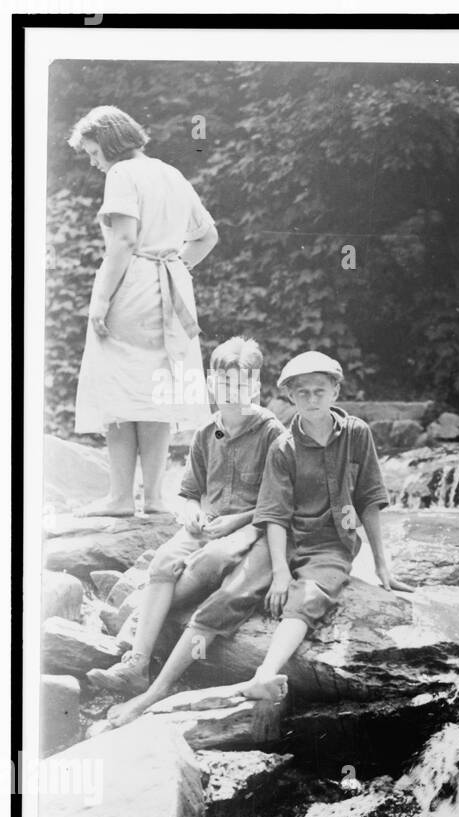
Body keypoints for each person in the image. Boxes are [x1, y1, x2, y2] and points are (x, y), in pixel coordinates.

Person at [98, 350, 412, 727]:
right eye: (303, 393)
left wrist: (382, 564)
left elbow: (370, 499)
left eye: (320, 391)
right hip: (283, 539)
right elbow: (275, 516)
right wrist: (279, 571)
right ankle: (156, 688)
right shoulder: (283, 447)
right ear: (290, 397)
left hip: (331, 545)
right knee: (230, 594)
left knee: (308, 598)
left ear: (335, 391)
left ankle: (264, 674)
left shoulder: (357, 434)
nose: (312, 400)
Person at [87, 337, 285, 702]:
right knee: (163, 560)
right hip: (206, 524)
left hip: (250, 527)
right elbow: (191, 491)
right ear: (211, 385)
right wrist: (192, 513)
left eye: (242, 384)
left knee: (215, 559)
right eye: (225, 384)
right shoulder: (207, 433)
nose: (233, 392)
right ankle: (137, 665)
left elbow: (278, 502)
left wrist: (236, 521)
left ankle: (138, 622)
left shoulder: (272, 433)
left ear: (256, 386)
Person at [67, 105, 219, 516]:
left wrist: (100, 299)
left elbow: (124, 240)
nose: (93, 161)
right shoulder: (170, 173)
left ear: (110, 139)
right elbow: (207, 236)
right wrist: (175, 266)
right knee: (158, 389)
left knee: (119, 386)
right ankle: (153, 498)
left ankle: (119, 498)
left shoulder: (122, 173)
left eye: (93, 150)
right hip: (172, 288)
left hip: (132, 289)